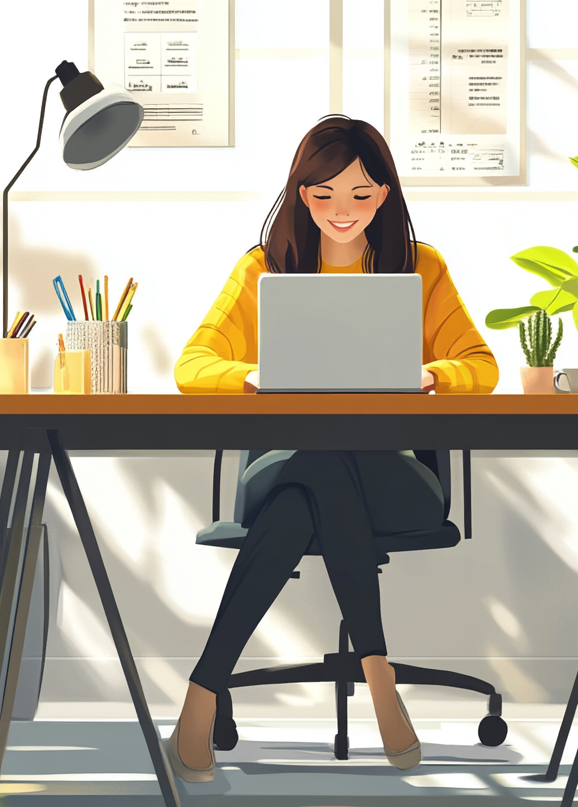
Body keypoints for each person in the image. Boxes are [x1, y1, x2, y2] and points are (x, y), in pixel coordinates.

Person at [169, 116, 497, 782]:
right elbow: (192, 366)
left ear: (384, 194)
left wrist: (432, 374)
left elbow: (481, 367)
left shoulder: (419, 268)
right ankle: (381, 675)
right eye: (323, 196)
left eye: (360, 194)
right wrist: (250, 376)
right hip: (284, 467)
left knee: (309, 483)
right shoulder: (264, 269)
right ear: (299, 196)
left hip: (396, 482)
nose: (342, 211)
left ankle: (202, 692)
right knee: (313, 463)